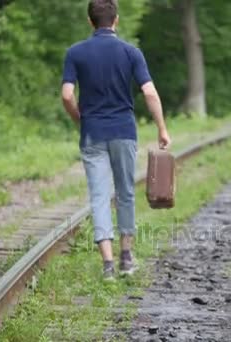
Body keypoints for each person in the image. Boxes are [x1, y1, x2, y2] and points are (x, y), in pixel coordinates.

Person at [61, 0, 171, 281]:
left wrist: (79, 118)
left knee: (98, 196)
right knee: (125, 192)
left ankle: (108, 265)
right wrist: (161, 128)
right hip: (123, 131)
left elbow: (66, 95)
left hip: (92, 133)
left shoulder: (75, 53)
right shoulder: (131, 52)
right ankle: (126, 258)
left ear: (90, 22)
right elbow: (149, 93)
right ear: (116, 20)